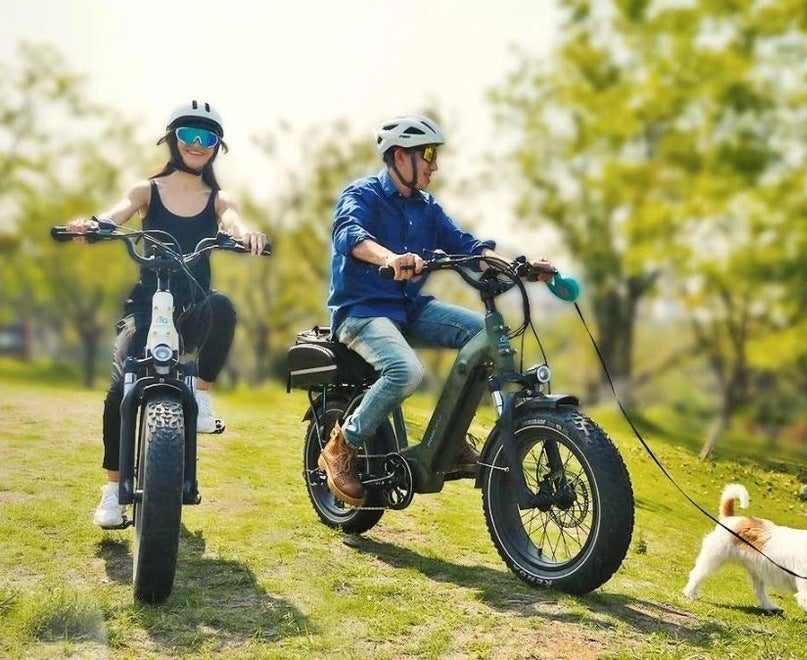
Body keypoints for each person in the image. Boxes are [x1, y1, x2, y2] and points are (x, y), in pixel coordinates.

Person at [322, 114, 552, 506]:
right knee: (405, 371)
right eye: (428, 154)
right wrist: (391, 257)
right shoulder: (362, 195)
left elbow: (469, 246)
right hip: (361, 311)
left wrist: (518, 268)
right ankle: (344, 444)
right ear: (399, 156)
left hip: (409, 308)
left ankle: (449, 438)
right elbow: (350, 235)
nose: (435, 164)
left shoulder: (427, 209)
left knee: (484, 335)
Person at [66, 100, 269, 528]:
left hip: (193, 308)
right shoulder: (147, 190)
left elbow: (233, 220)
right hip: (145, 307)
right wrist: (92, 225)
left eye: (207, 138)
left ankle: (202, 391)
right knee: (119, 387)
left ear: (217, 148)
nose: (197, 145)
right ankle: (111, 493)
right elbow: (115, 214)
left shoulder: (217, 197)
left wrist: (246, 234)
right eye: (189, 136)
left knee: (224, 306)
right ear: (173, 139)